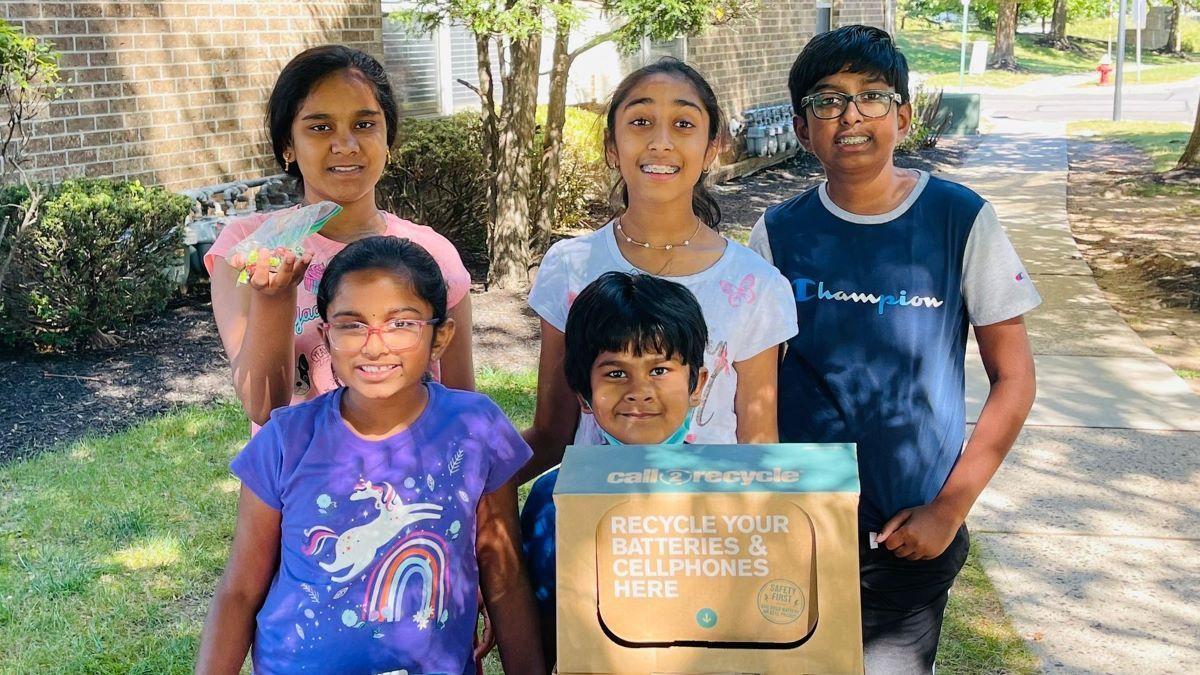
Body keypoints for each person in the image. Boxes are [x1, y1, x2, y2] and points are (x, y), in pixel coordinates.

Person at [748, 25, 1041, 673]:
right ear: (802, 129)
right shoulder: (776, 232)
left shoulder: (960, 219)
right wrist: (766, 502)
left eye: (872, 96)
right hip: (801, 525)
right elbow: (755, 388)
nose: (850, 115)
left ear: (903, 116)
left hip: (910, 533)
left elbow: (1015, 379)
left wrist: (949, 508)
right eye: (827, 100)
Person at [195, 236, 544, 675]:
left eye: (401, 324)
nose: (374, 345)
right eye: (352, 324)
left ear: (440, 337)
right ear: (326, 335)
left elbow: (503, 570)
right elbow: (240, 590)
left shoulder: (476, 428)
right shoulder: (285, 439)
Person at [521, 58, 797, 484]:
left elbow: (758, 443)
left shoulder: (756, 285)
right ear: (613, 146)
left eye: (684, 124)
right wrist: (481, 494)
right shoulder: (569, 266)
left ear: (711, 148)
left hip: (709, 530)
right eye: (642, 121)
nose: (661, 142)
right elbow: (553, 431)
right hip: (595, 527)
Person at [204, 45, 474, 430]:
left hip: (411, 487)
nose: (346, 144)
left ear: (388, 138)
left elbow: (462, 409)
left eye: (364, 124)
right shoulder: (250, 248)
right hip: (295, 485)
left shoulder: (433, 254)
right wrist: (275, 296)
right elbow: (264, 407)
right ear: (287, 146)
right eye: (319, 127)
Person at [521, 270, 709, 664]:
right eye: (615, 373)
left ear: (697, 385)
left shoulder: (740, 495)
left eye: (659, 370)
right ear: (584, 396)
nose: (638, 390)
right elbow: (542, 626)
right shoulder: (554, 500)